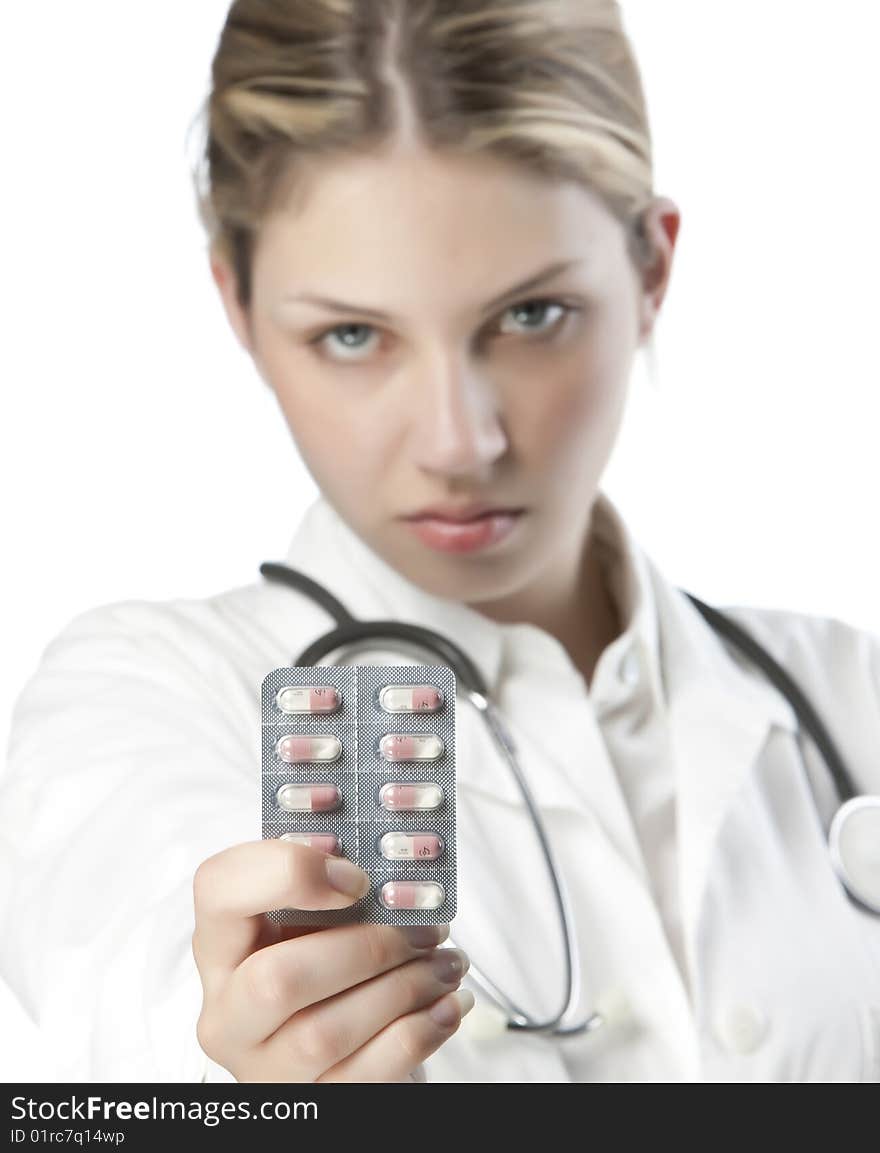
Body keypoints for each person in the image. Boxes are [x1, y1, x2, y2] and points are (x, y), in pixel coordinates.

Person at [2, 0, 879, 1085]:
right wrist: (243, 1063)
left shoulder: (854, 698)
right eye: (353, 335)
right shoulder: (143, 698)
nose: (461, 442)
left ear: (650, 270)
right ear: (235, 302)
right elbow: (142, 987)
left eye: (529, 316)